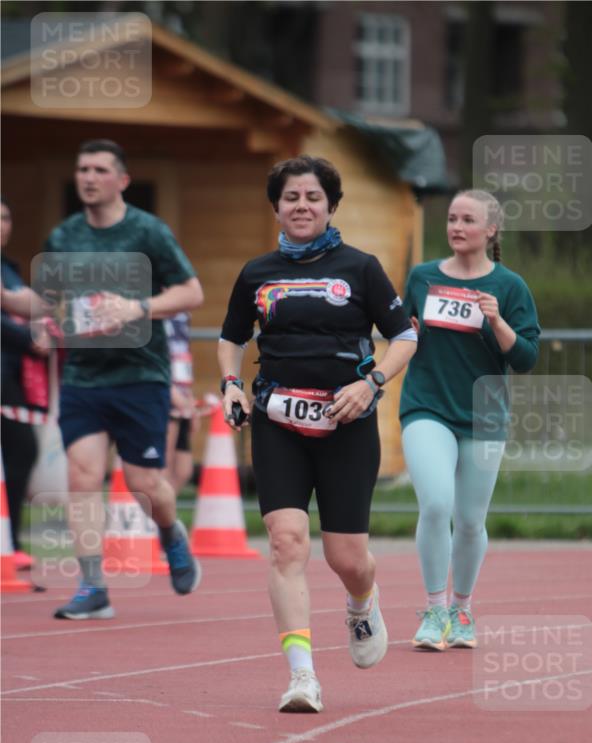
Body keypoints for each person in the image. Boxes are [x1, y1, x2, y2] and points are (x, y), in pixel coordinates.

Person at [218, 155, 417, 713]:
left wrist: (373, 381)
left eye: (312, 197)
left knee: (346, 558)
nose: (301, 206)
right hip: (278, 421)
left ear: (330, 206)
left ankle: (362, 601)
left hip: (346, 425)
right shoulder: (257, 272)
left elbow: (404, 337)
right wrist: (232, 384)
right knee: (286, 542)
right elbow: (232, 336)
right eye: (290, 198)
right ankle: (302, 676)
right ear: (276, 208)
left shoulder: (361, 267)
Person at [37, 139, 204, 619]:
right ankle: (93, 586)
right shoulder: (65, 236)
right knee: (81, 475)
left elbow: (191, 291)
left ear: (121, 180)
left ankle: (171, 534)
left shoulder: (147, 232)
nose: (88, 177)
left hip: (140, 374)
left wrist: (138, 307)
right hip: (83, 375)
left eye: (99, 169)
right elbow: (45, 303)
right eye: (82, 168)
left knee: (144, 483)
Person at [400, 189, 540, 650]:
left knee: (471, 520)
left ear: (491, 230)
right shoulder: (421, 277)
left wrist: (497, 322)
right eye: (452, 218)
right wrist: (406, 333)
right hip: (427, 406)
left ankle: (462, 609)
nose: (457, 227)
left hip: (484, 415)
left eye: (468, 220)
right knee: (436, 505)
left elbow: (526, 358)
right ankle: (435, 609)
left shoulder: (509, 286)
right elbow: (401, 330)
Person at [1, 198, 52, 569]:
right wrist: (31, 340)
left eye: (4, 217)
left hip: (16, 375)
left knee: (20, 454)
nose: (0, 224)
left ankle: (11, 541)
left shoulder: (10, 268)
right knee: (19, 451)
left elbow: (38, 309)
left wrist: (40, 326)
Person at [164, 311, 196, 494]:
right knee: (164, 465)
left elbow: (183, 353)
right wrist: (171, 391)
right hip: (165, 392)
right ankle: (156, 519)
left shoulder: (183, 314)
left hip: (183, 393)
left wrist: (189, 398)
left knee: (183, 470)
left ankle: (163, 513)